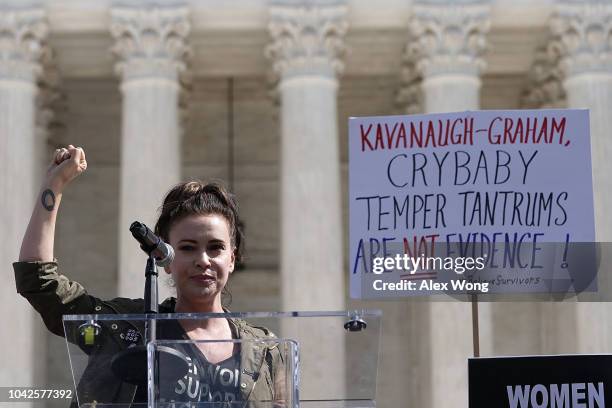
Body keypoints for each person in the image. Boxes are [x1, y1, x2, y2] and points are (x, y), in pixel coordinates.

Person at [14, 145, 285, 406]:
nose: (203, 260)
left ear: (232, 259)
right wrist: (53, 187)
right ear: (164, 258)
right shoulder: (129, 329)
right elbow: (41, 283)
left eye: (215, 248)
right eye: (188, 248)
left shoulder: (265, 350)